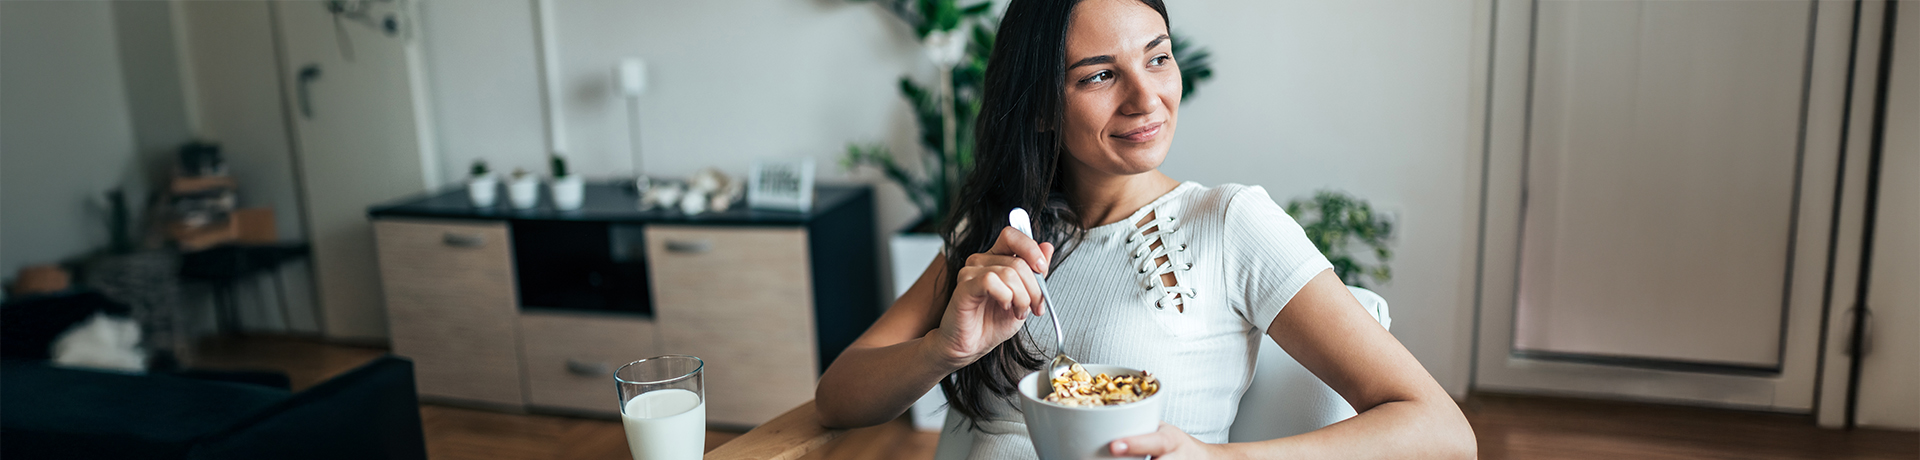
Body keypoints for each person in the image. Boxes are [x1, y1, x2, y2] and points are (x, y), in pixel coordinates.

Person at [816, 0, 1476, 458]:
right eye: (1100, 75)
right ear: (1042, 108)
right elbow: (838, 398)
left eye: (1157, 59)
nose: (1145, 97)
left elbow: (1442, 432)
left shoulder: (1228, 223)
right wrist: (945, 349)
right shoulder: (998, 238)